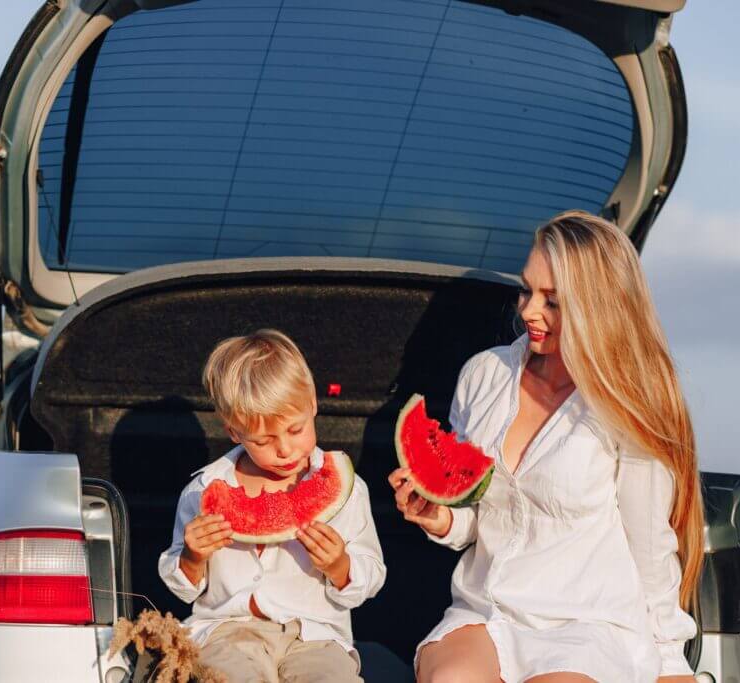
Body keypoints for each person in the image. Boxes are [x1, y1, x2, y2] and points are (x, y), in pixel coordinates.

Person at [390, 210, 703, 683]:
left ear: (596, 306)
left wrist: (670, 661)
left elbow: (649, 544)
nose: (528, 311)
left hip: (588, 625)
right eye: (527, 290)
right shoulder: (485, 375)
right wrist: (440, 516)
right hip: (489, 610)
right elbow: (476, 512)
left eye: (552, 301)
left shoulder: (626, 402)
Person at [159, 329, 386, 683]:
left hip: (316, 636)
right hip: (226, 632)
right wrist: (191, 558)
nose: (284, 449)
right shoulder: (202, 490)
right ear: (234, 431)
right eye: (264, 440)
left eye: (295, 430)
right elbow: (183, 587)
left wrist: (340, 565)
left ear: (313, 404)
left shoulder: (349, 490)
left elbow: (371, 574)